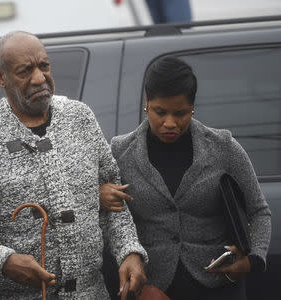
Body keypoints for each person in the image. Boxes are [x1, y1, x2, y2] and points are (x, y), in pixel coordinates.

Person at [0, 31, 148, 300]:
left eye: (44, 66)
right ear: (0, 77)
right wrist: (3, 260)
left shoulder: (80, 118)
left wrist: (129, 251)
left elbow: (113, 197)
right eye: (25, 71)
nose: (39, 78)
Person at [104, 56, 271, 300]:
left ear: (192, 107)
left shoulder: (223, 147)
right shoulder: (120, 152)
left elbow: (259, 211)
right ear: (146, 102)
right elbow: (107, 221)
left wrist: (253, 260)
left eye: (181, 113)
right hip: (152, 290)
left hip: (219, 288)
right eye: (160, 112)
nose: (170, 123)